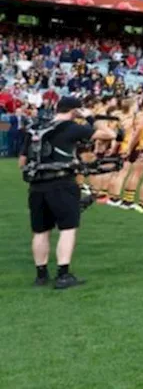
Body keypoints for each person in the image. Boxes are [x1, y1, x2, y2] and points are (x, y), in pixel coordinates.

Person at [21, 96, 117, 289]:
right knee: (67, 228)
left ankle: (41, 275)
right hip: (62, 183)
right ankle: (63, 274)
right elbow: (109, 135)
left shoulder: (36, 129)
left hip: (37, 186)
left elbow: (22, 162)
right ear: (75, 111)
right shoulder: (72, 127)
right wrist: (91, 118)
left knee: (40, 231)